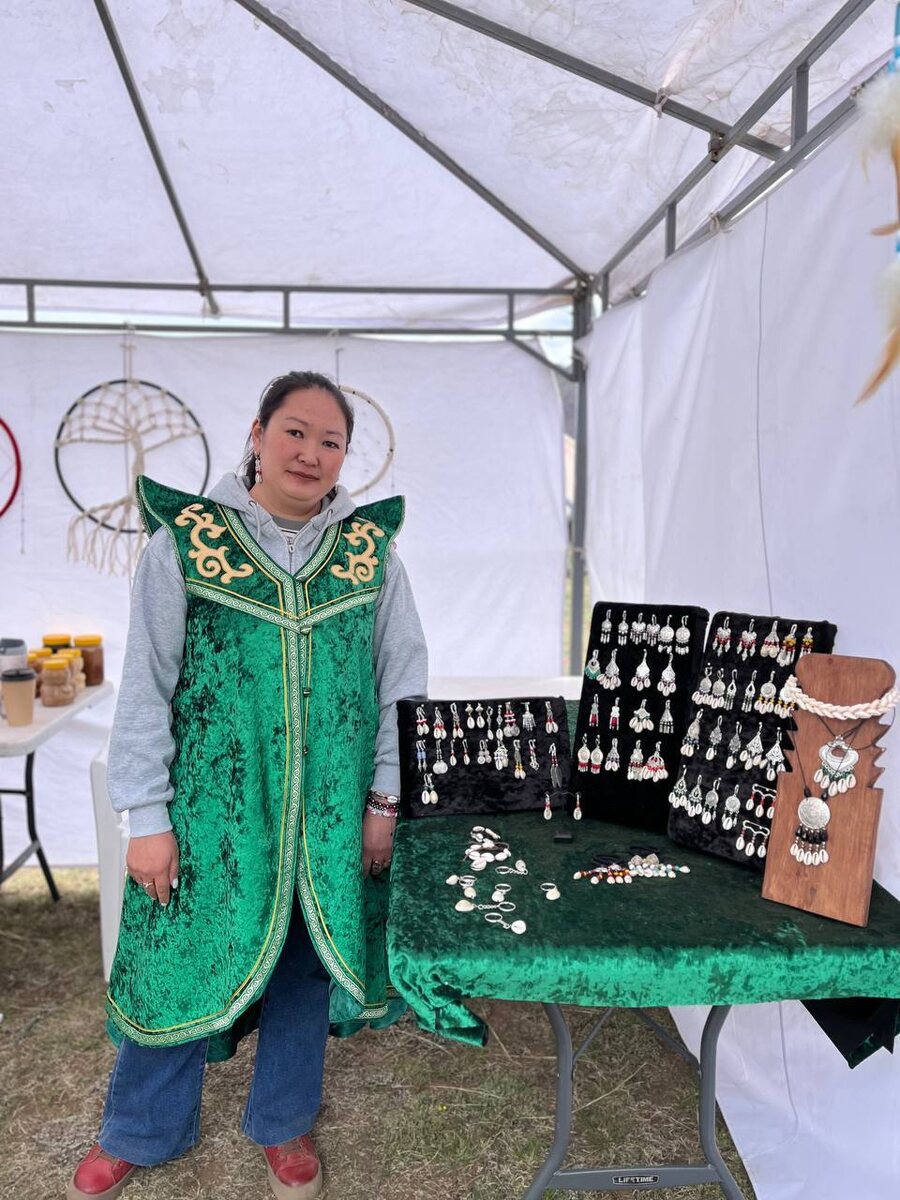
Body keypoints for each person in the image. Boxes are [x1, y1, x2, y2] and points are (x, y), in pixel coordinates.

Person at [68, 372, 428, 1200]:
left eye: (331, 442)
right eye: (295, 431)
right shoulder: (186, 545)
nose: (311, 453)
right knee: (178, 954)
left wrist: (385, 799)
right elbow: (147, 686)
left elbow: (403, 684)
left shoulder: (371, 556)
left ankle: (283, 1120)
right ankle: (140, 1128)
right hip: (210, 815)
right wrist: (147, 817)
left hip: (328, 817)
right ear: (258, 435)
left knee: (305, 962)